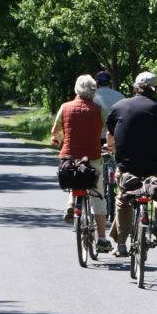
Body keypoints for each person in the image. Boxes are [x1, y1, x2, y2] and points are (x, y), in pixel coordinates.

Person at [106, 71, 157, 257]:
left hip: (126, 166)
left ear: (135, 88)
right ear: (155, 90)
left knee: (123, 199)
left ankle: (121, 244)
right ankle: (156, 221)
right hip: (155, 166)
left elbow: (111, 135)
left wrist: (111, 147)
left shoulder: (118, 106)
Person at [51, 74, 112, 253]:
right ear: (93, 90)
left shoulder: (65, 107)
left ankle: (71, 203)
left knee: (72, 181)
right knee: (99, 196)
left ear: (76, 89)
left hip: (68, 158)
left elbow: (56, 132)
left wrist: (57, 140)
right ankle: (101, 238)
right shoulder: (99, 109)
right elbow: (110, 131)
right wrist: (109, 145)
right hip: (92, 158)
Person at [92, 71, 124, 219]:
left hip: (97, 136)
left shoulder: (92, 96)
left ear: (96, 82)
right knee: (118, 163)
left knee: (97, 165)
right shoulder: (120, 96)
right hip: (116, 136)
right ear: (110, 82)